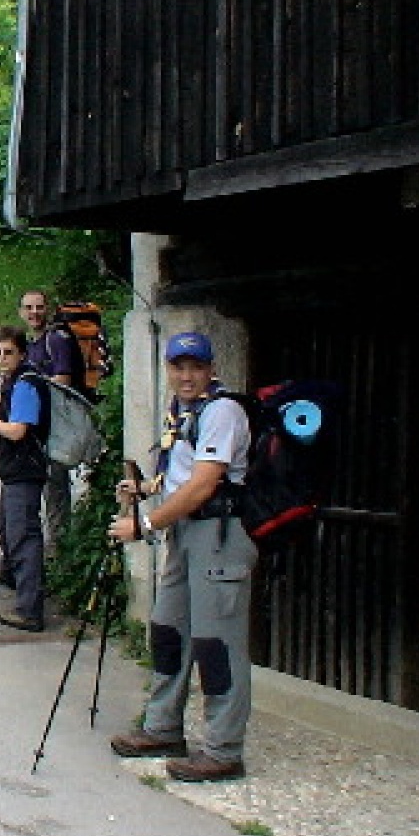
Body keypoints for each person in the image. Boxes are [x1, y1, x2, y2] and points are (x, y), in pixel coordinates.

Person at [107, 331, 256, 782]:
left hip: (219, 535)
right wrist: (147, 489)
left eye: (195, 367)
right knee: (169, 630)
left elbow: (205, 483)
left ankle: (223, 750)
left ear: (211, 369)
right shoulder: (184, 411)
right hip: (185, 534)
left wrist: (146, 524)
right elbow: (180, 475)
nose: (186, 376)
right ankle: (163, 727)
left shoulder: (223, 411)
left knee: (216, 643)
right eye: (178, 367)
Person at [0, 325, 49, 632]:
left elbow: (18, 430)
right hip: (16, 472)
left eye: (9, 353)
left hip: (25, 471)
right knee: (7, 525)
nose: (3, 359)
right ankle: (11, 576)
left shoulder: (26, 384)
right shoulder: (15, 381)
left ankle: (29, 609)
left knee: (23, 537)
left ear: (22, 353)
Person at [20, 289, 87, 556]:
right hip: (39, 428)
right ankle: (46, 551)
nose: (34, 313)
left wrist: (33, 389)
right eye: (29, 308)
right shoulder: (32, 342)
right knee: (46, 489)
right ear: (21, 312)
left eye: (39, 307)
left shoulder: (56, 340)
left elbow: (64, 381)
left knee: (55, 490)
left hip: (55, 429)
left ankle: (58, 554)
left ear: (47, 309)